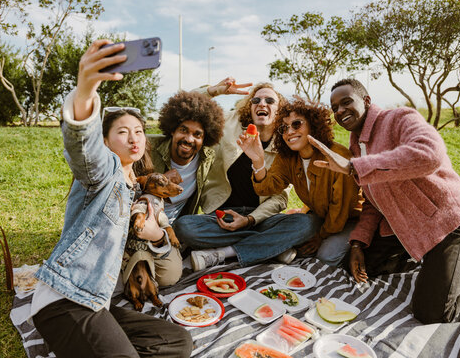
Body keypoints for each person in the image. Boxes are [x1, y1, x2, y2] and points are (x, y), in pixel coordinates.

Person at [31, 39, 192, 358]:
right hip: (65, 299)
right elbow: (82, 149)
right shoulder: (103, 174)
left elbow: (161, 242)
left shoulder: (139, 188)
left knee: (179, 343)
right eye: (122, 132)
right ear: (105, 141)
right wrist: (86, 90)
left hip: (97, 301)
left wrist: (157, 232)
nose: (133, 138)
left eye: (139, 131)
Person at [309, 77, 460, 324]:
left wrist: (353, 168)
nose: (340, 111)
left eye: (346, 102)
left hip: (446, 223)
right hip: (405, 228)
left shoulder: (399, 118)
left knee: (434, 312)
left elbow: (429, 154)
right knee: (360, 267)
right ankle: (426, 262)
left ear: (366, 101)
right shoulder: (357, 147)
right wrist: (358, 243)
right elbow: (372, 201)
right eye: (334, 107)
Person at [173, 78, 321, 271]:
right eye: (256, 100)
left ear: (279, 111)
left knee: (308, 223)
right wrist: (214, 90)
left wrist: (250, 220)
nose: (262, 104)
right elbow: (185, 107)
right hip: (222, 217)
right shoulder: (228, 122)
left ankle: (224, 252)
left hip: (260, 219)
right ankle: (271, 246)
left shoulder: (285, 146)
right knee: (184, 227)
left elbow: (279, 198)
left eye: (269, 101)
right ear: (249, 107)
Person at [237, 96, 362, 267]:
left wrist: (320, 236)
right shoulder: (288, 157)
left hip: (349, 219)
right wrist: (258, 160)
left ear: (313, 125)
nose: (289, 132)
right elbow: (266, 188)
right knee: (300, 233)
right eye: (284, 127)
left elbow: (340, 210)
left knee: (325, 257)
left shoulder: (337, 156)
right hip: (317, 217)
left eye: (297, 124)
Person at [148, 90, 225, 223]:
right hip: (143, 220)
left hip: (177, 228)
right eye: (183, 130)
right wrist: (160, 180)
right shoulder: (148, 147)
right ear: (172, 130)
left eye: (197, 135)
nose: (189, 139)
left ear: (205, 139)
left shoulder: (207, 159)